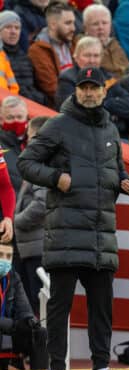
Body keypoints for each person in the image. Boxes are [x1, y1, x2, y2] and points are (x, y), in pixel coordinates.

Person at [17, 67, 129, 370]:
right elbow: (26, 163)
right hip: (66, 232)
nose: (88, 92)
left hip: (101, 233)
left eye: (94, 87)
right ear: (77, 91)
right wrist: (56, 178)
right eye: (83, 87)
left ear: (104, 92)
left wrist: (126, 183)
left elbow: (118, 171)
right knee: (60, 306)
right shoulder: (58, 125)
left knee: (102, 307)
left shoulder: (111, 129)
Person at [14, 116, 49, 315]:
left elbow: (42, 203)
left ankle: (42, 346)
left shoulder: (44, 163)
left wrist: (17, 221)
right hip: (31, 245)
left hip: (38, 246)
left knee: (38, 306)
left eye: (30, 137)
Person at [0, 242, 48, 370]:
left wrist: (30, 321)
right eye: (1, 255)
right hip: (8, 328)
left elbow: (25, 309)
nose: (4, 260)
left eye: (8, 256)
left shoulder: (14, 277)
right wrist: (14, 325)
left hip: (8, 331)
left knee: (39, 333)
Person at [27, 1, 76, 109]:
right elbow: (52, 89)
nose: (73, 28)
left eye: (73, 23)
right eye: (68, 23)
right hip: (61, 108)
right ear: (53, 25)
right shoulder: (38, 50)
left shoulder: (72, 43)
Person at [0, 10, 46, 104]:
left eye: (17, 28)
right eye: (8, 27)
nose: (13, 32)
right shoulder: (2, 58)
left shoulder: (25, 56)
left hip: (32, 104)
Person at [81, 4, 129, 79]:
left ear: (110, 25)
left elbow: (128, 68)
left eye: (104, 23)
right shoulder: (83, 49)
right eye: (95, 24)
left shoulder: (114, 43)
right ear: (85, 28)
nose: (101, 27)